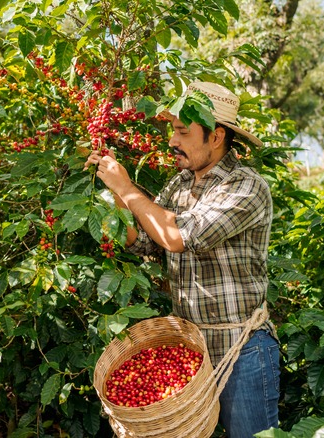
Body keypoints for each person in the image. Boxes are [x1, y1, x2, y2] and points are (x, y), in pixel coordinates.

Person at [85, 81, 279, 438]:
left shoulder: (246, 186)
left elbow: (178, 237)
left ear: (216, 136)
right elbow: (145, 241)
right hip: (189, 349)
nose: (172, 141)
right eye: (172, 130)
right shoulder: (178, 186)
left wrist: (128, 188)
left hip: (242, 350)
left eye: (182, 131)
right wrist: (114, 194)